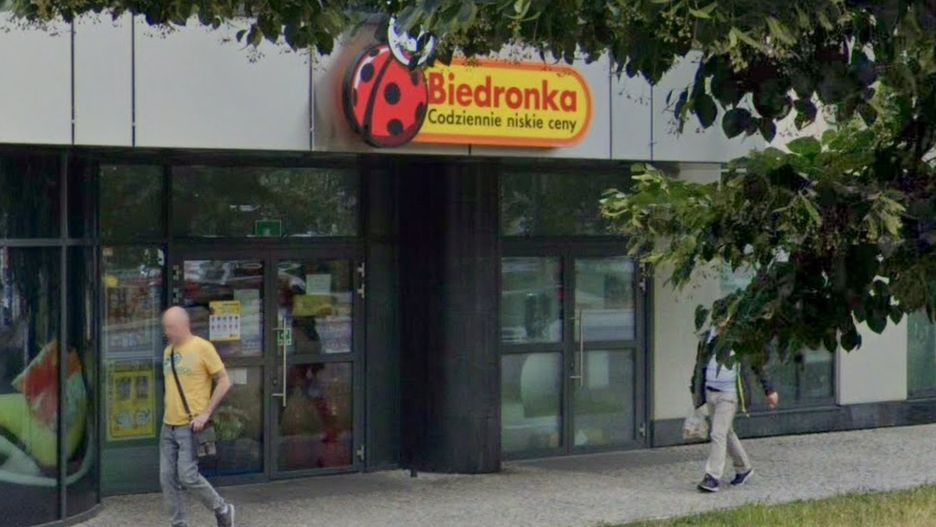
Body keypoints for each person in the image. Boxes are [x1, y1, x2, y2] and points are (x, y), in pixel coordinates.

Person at [160, 306, 236, 527]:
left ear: (183, 326)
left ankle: (222, 508)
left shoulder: (202, 348)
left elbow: (224, 381)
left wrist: (205, 413)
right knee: (167, 478)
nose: (167, 332)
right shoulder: (168, 351)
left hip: (190, 425)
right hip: (168, 425)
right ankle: (179, 523)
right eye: (165, 327)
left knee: (188, 476)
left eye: (170, 327)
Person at [690, 327, 779, 493]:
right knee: (726, 432)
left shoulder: (741, 338)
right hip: (710, 392)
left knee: (717, 433)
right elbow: (699, 365)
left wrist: (769, 390)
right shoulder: (707, 338)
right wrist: (694, 389)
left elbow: (757, 365)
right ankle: (744, 468)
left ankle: (712, 476)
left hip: (729, 394)